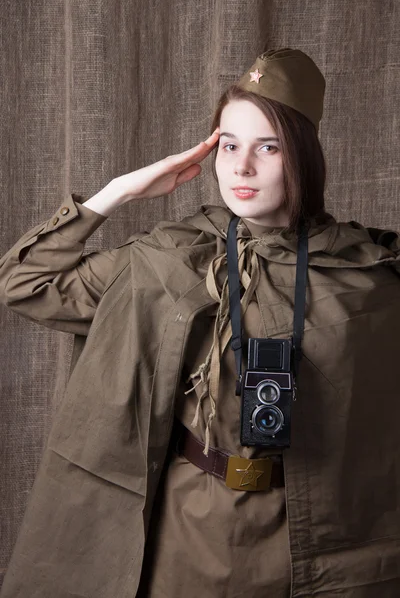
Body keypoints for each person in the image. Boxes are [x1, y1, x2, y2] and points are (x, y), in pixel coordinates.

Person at [1, 48, 400, 598]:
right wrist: (119, 192)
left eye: (269, 146)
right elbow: (28, 283)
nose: (241, 168)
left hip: (318, 544)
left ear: (304, 156)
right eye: (229, 145)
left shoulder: (367, 275)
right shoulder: (170, 257)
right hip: (188, 531)